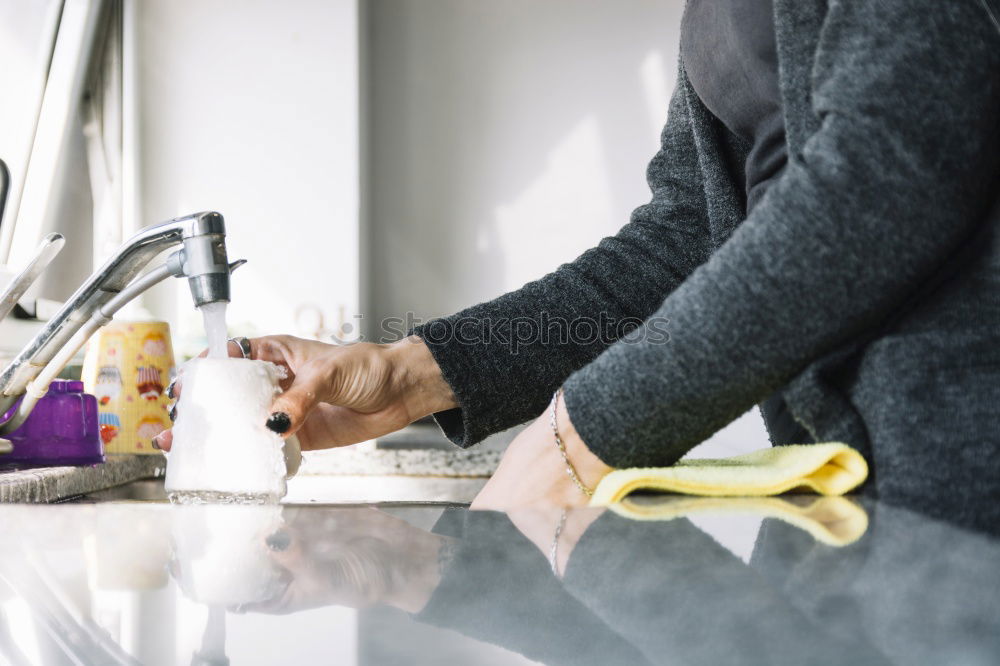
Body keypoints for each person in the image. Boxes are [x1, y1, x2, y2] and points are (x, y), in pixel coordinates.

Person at [157, 0, 1000, 526]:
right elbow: (689, 234)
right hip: (848, 486)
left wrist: (585, 432)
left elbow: (888, 172)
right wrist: (412, 373)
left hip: (963, 486)